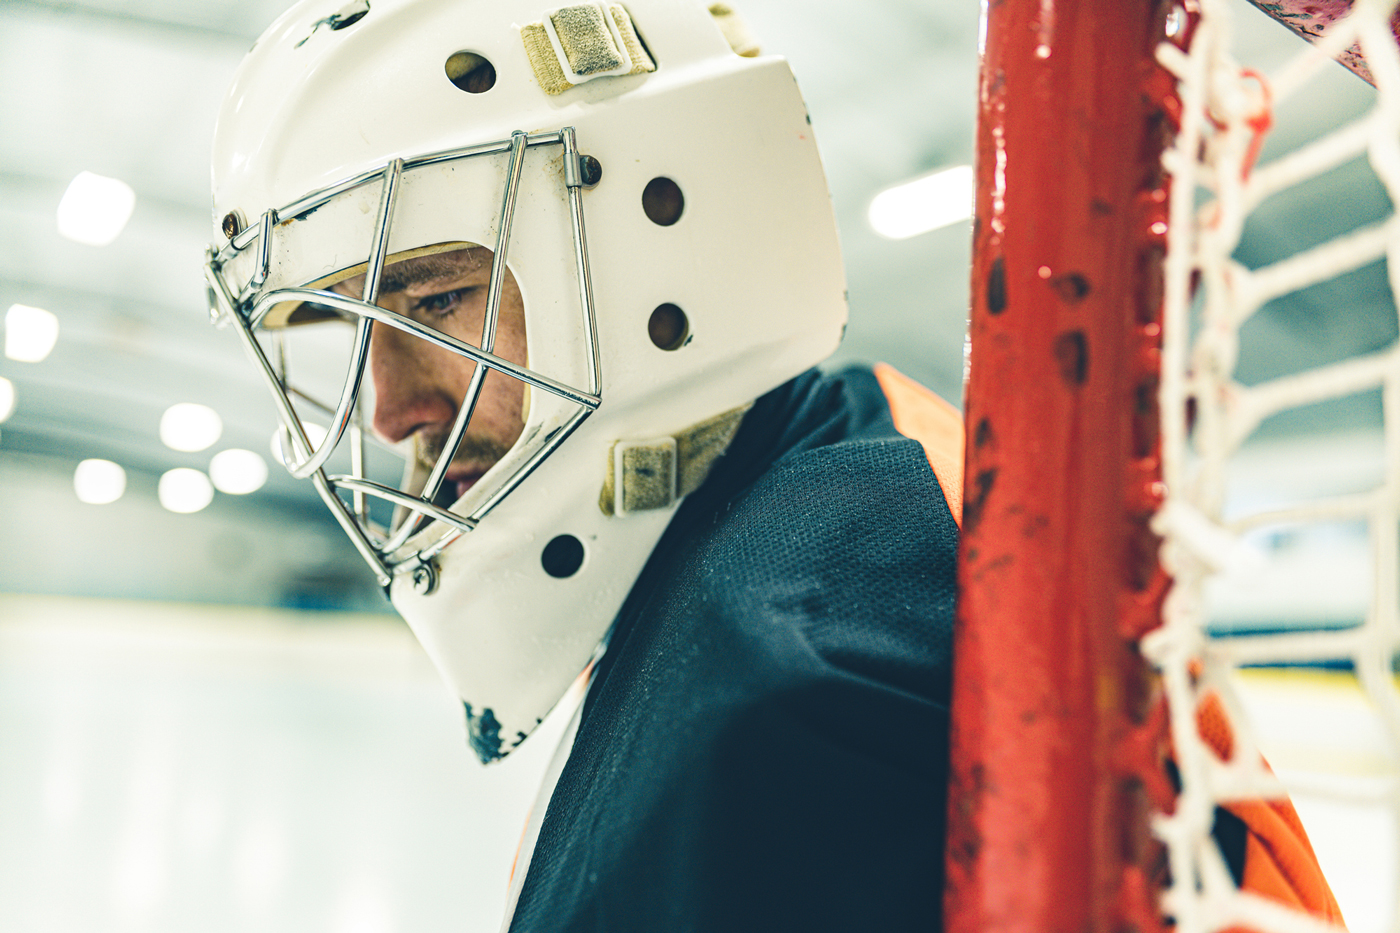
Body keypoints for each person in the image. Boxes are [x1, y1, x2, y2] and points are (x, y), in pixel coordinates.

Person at [202, 1, 1339, 930]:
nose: (392, 410)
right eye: (354, 333)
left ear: (661, 223)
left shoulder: (784, 686)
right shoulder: (855, 453)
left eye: (435, 300)